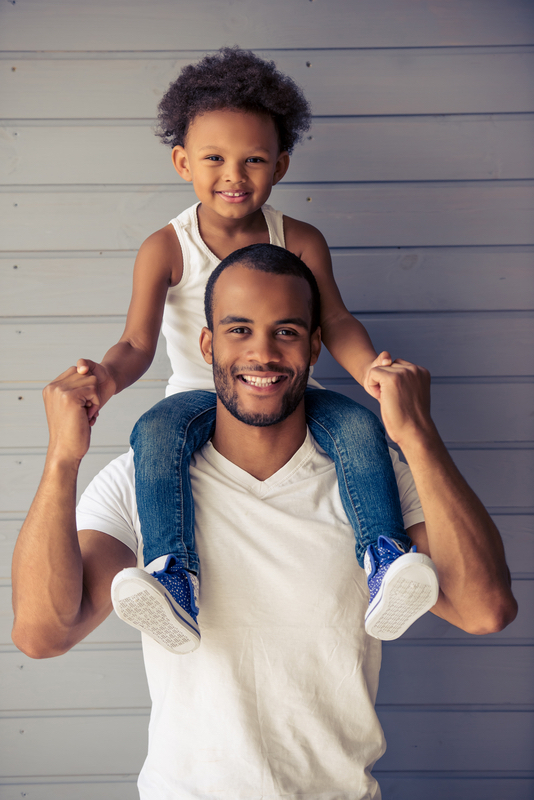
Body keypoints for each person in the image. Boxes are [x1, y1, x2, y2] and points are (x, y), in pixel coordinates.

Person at [12, 246, 517, 799]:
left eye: (286, 332)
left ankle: (383, 560)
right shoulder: (144, 478)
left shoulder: (371, 476)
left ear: (315, 345)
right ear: (207, 344)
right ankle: (173, 573)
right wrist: (62, 457)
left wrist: (417, 434)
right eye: (238, 329)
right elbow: (43, 633)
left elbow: (484, 610)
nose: (263, 353)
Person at [73, 46, 432, 652]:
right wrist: (106, 378)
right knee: (154, 435)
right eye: (214, 158)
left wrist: (369, 369)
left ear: (281, 165)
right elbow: (137, 342)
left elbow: (335, 319)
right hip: (198, 395)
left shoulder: (301, 239)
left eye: (253, 160)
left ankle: (383, 559)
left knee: (360, 428)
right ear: (183, 161)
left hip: (291, 390)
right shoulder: (166, 247)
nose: (234, 175)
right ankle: (172, 575)